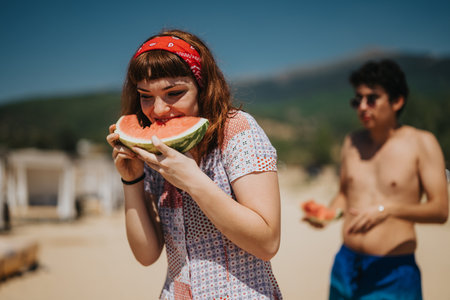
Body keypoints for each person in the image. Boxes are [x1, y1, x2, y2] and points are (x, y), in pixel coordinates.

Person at [106, 29, 283, 299]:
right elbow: (146, 254)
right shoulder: (155, 150)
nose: (159, 110)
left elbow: (267, 242)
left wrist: (194, 181)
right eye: (145, 95)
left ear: (202, 87)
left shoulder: (237, 131)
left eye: (174, 93)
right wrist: (132, 180)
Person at [305, 59, 448, 299]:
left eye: (372, 98)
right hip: (346, 263)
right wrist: (326, 215)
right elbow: (344, 193)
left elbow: (440, 210)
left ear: (397, 100)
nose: (362, 106)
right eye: (357, 99)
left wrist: (388, 210)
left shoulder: (422, 143)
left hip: (393, 270)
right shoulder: (352, 142)